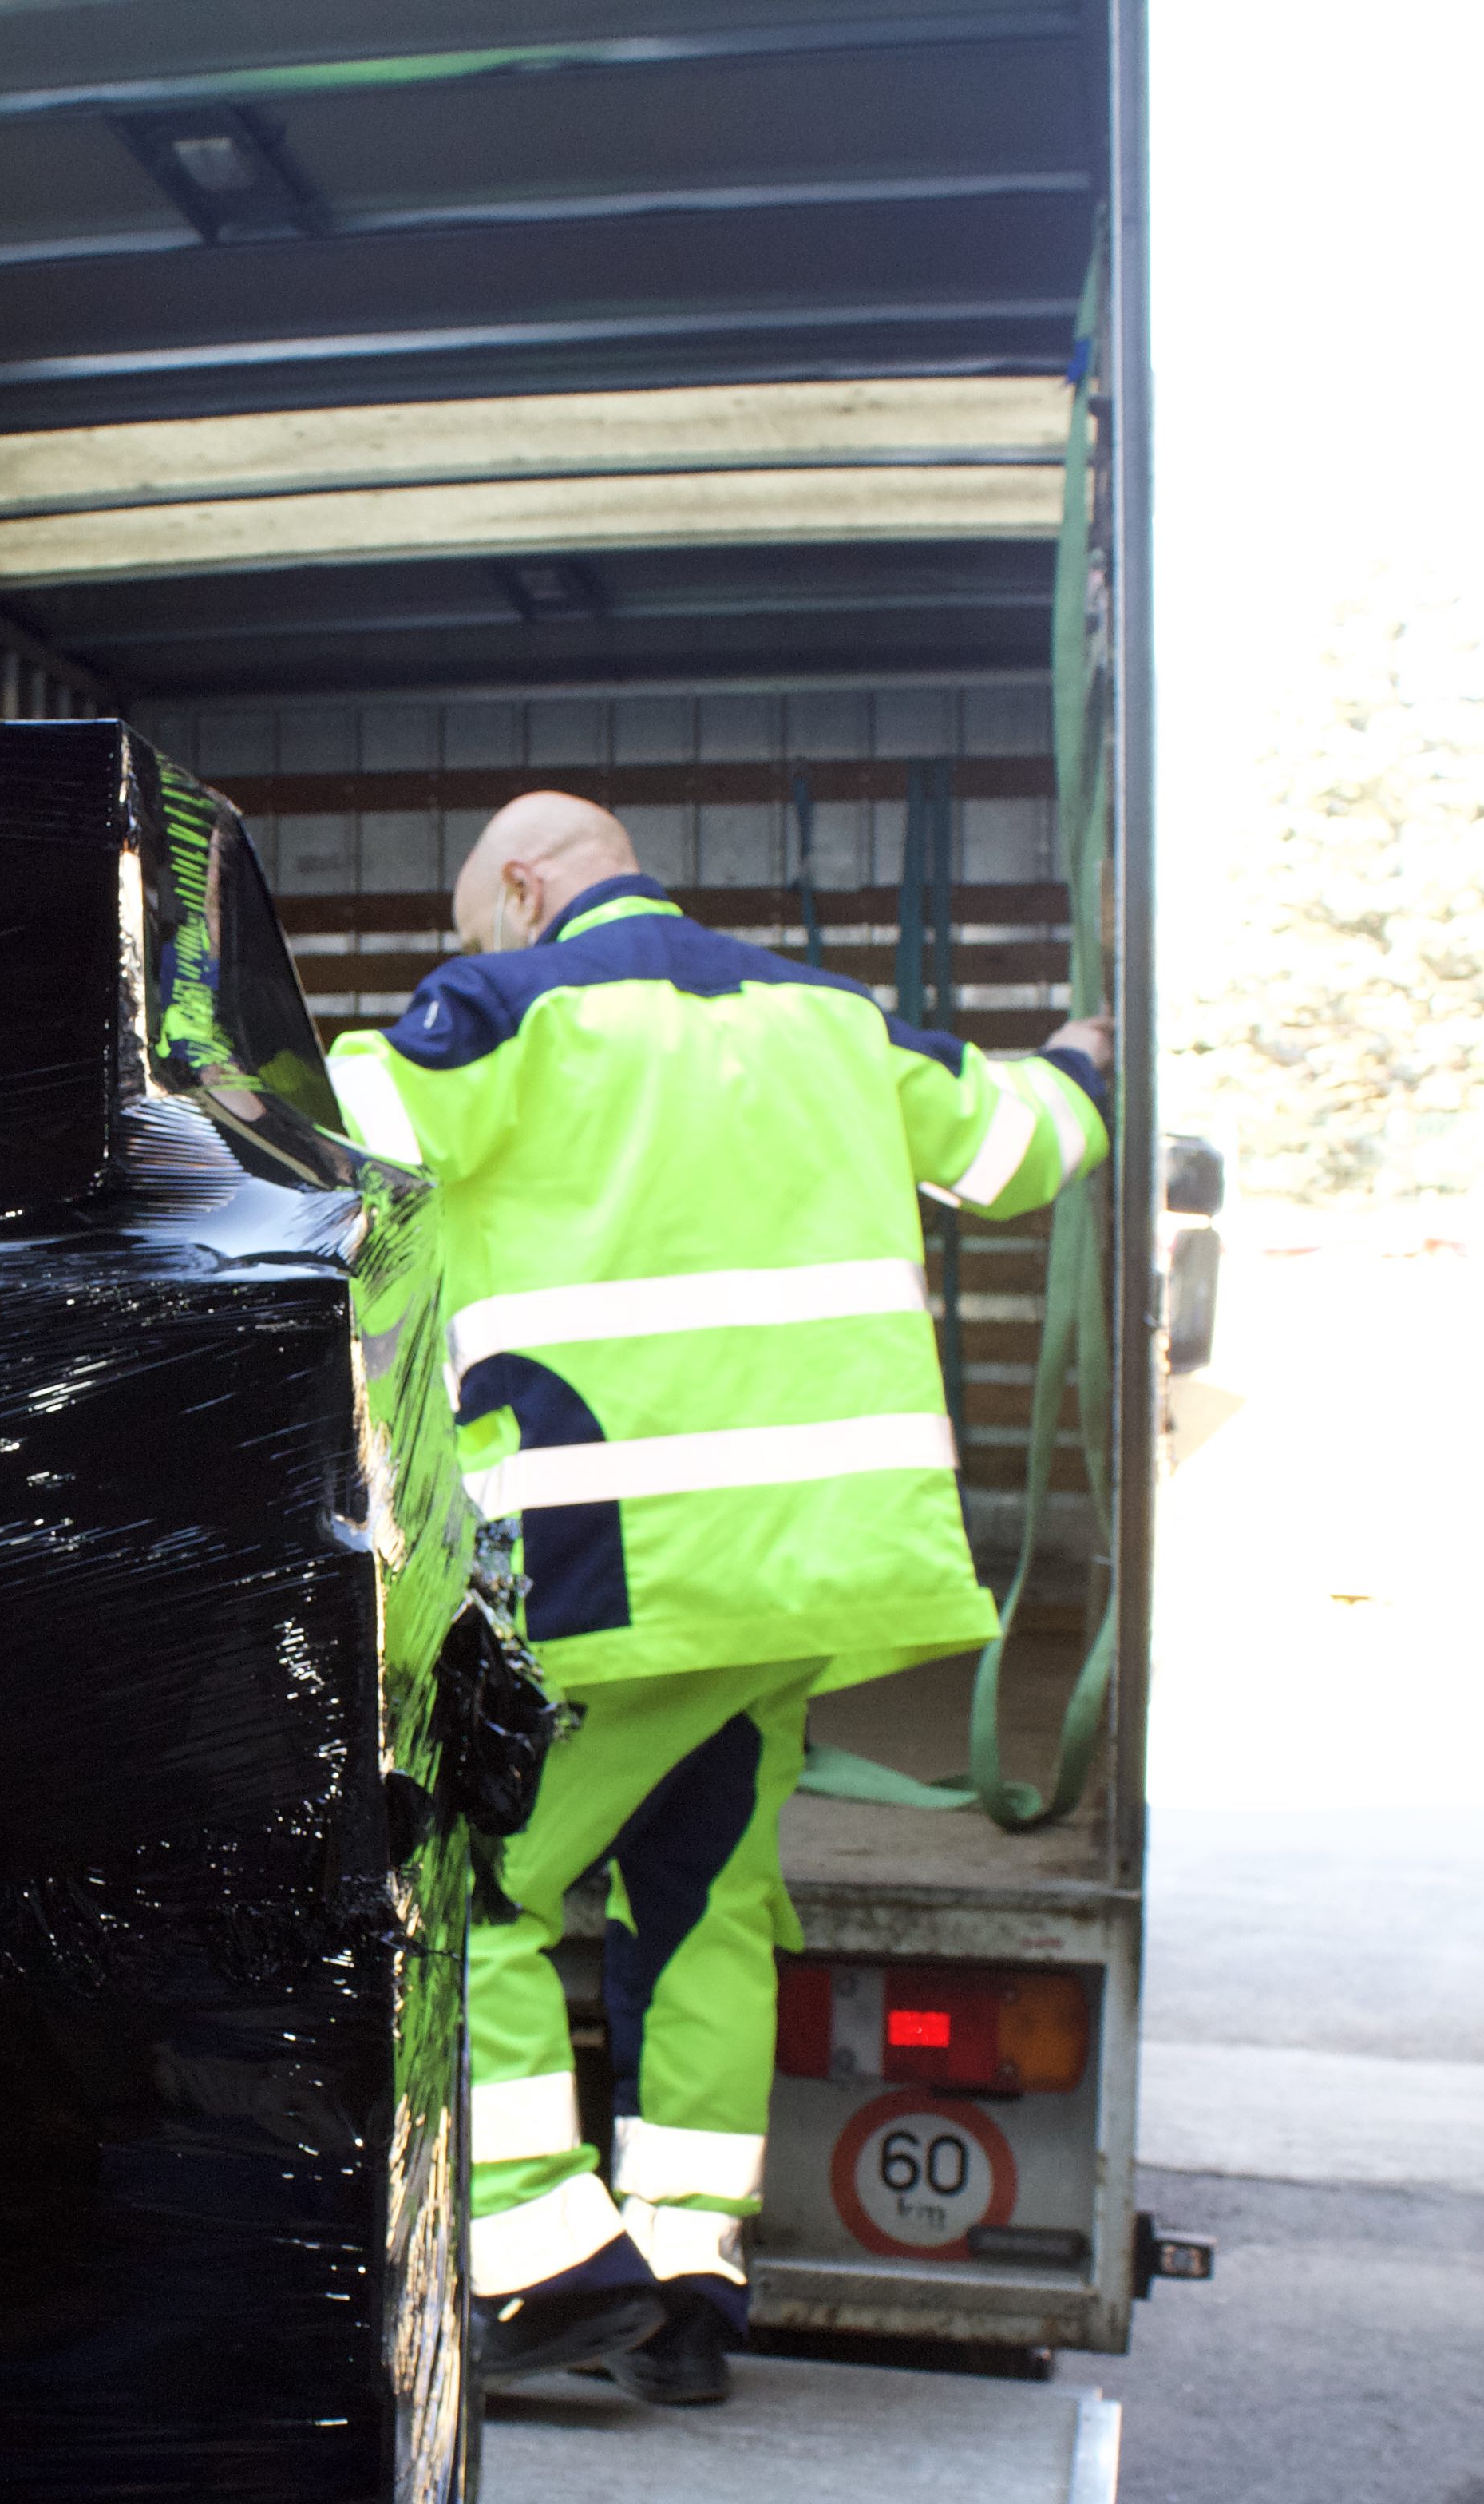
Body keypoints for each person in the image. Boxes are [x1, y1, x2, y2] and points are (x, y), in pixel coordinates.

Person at [323, 793, 1110, 2408]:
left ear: (529, 886)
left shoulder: (494, 1015)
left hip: (612, 1580)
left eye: (472, 912)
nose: (461, 945)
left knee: (463, 1897)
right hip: (807, 1582)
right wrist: (1094, 1058)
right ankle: (690, 2280)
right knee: (704, 1918)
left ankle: (541, 2267)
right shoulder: (832, 1021)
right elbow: (1020, 1143)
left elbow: (322, 1163)